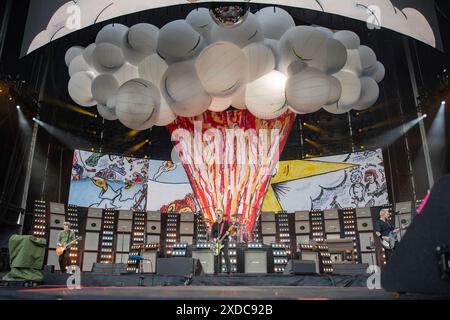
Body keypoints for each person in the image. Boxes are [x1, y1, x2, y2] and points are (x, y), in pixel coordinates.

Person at [211, 209, 232, 275]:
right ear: (216, 215)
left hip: (224, 241)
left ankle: (229, 271)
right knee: (216, 256)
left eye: (220, 213)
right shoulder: (214, 224)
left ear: (222, 215)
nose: (218, 215)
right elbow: (212, 234)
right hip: (216, 242)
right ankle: (216, 272)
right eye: (217, 213)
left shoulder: (226, 223)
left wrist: (228, 233)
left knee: (226, 255)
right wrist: (214, 239)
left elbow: (230, 231)